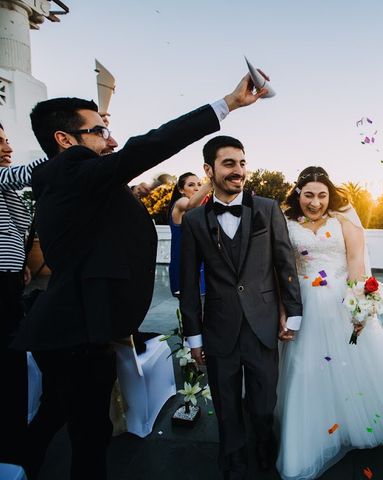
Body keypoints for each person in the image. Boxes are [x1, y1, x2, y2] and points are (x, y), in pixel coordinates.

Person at [12, 73, 267, 480]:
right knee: (90, 433)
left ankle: (15, 464)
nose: (110, 140)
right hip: (78, 331)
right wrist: (227, 105)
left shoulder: (70, 180)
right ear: (65, 140)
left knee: (57, 412)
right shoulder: (73, 169)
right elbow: (148, 145)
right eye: (99, 131)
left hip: (72, 326)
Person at [275, 166, 383, 480]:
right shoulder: (286, 224)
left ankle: (352, 423)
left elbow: (355, 266)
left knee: (352, 365)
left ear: (330, 195)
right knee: (304, 368)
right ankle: (310, 434)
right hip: (303, 304)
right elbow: (284, 268)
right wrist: (284, 307)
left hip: (340, 302)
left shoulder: (345, 224)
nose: (316, 202)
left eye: (322, 195)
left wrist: (359, 308)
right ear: (298, 194)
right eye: (309, 194)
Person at [180, 135, 303, 480]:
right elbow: (189, 285)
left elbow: (284, 263)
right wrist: (194, 336)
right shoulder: (193, 221)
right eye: (229, 163)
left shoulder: (267, 208)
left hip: (263, 324)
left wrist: (293, 312)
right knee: (226, 405)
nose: (239, 171)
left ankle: (265, 453)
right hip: (219, 328)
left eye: (242, 162)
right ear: (209, 169)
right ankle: (232, 461)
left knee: (264, 404)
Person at [0, 124, 46, 469]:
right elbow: (33, 172)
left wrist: (19, 266)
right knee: (9, 364)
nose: (8, 147)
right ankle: (13, 450)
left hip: (10, 281)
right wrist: (78, 147)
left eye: (6, 139)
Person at [168, 172, 210, 296]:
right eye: (191, 185)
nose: (197, 188)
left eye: (199, 184)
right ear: (181, 189)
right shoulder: (181, 202)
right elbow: (190, 205)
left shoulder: (200, 212)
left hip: (200, 266)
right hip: (183, 267)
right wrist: (212, 182)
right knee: (192, 311)